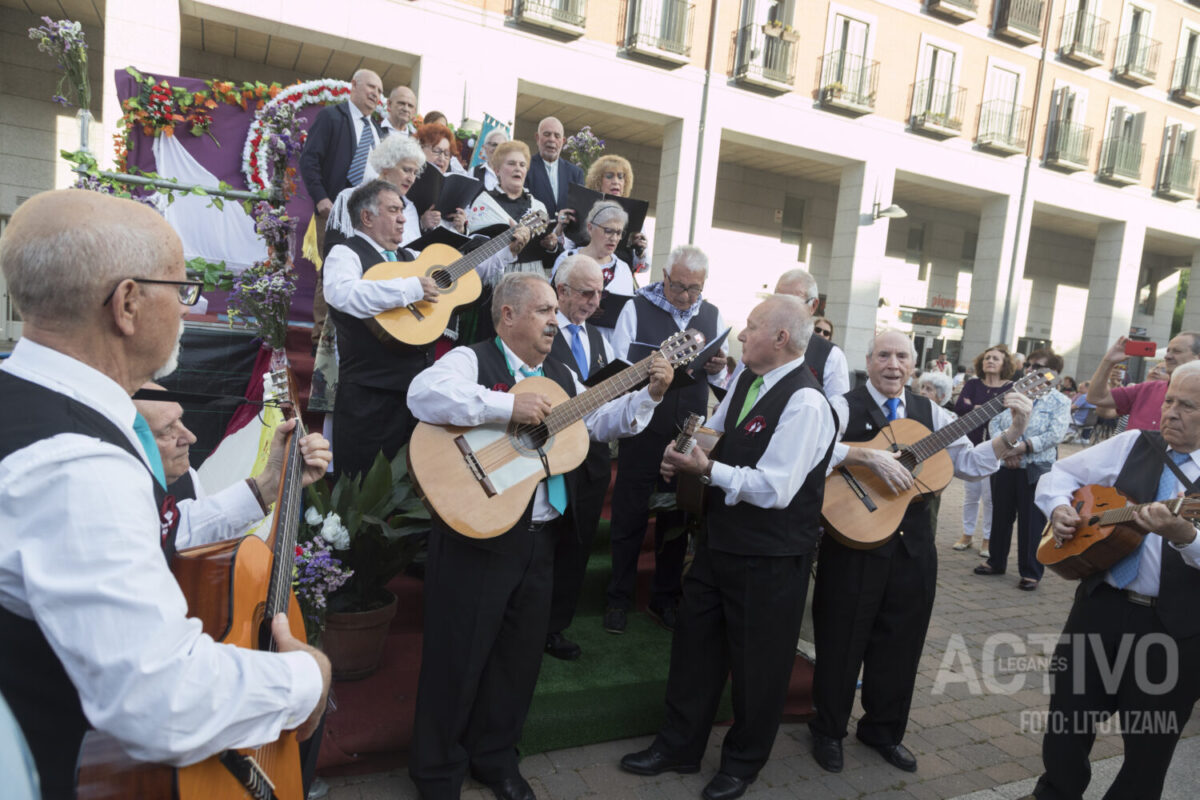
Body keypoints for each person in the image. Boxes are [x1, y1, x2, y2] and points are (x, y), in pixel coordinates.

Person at [0, 189, 332, 800]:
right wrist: (306, 679)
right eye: (182, 291)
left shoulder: (35, 409)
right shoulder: (75, 463)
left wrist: (262, 488)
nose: (188, 309)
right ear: (127, 303)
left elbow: (159, 529)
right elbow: (161, 698)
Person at [405, 273, 672, 800]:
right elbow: (423, 395)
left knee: (518, 661)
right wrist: (508, 408)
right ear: (508, 314)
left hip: (540, 539)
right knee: (456, 659)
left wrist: (651, 395)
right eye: (546, 310)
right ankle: (436, 774)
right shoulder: (470, 358)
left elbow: (599, 422)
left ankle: (496, 759)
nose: (558, 319)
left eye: (556, 310)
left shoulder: (562, 374)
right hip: (476, 536)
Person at [619, 295, 836, 800]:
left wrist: (707, 470)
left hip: (772, 558)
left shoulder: (806, 401)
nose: (740, 336)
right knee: (695, 649)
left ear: (781, 338)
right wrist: (686, 455)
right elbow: (722, 440)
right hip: (721, 543)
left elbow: (776, 487)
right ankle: (677, 746)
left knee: (759, 665)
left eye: (752, 327)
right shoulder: (747, 380)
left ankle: (742, 764)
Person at [809, 330, 1030, 776]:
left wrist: (1014, 430)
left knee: (902, 643)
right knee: (840, 640)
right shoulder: (839, 406)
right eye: (884, 355)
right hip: (851, 542)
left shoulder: (932, 412)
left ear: (914, 365)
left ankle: (883, 731)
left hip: (913, 549)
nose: (893, 364)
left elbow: (969, 465)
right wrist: (867, 458)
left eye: (902, 357)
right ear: (867, 361)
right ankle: (827, 730)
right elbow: (809, 450)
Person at [1030, 359, 1200, 800]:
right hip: (1100, 604)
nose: (1171, 413)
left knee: (1150, 743)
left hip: (1175, 628)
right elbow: (1061, 473)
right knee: (1067, 717)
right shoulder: (1132, 443)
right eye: (1170, 401)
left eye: (1189, 406)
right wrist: (1059, 507)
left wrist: (1185, 536)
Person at [322, 179, 528, 480]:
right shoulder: (346, 253)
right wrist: (409, 289)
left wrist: (505, 250)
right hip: (368, 398)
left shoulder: (412, 258)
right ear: (366, 217)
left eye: (402, 210)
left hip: (415, 395)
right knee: (361, 486)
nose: (403, 218)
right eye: (393, 210)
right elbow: (341, 294)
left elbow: (463, 275)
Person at [605, 245, 728, 634]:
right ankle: (618, 599)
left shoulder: (711, 314)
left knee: (676, 518)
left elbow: (720, 381)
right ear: (664, 274)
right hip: (643, 431)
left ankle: (664, 598)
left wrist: (719, 366)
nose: (687, 296)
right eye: (679, 286)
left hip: (687, 432)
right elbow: (618, 372)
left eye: (695, 288)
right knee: (628, 516)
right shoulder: (636, 308)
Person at [543, 254, 613, 661]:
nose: (593, 301)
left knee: (578, 546)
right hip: (551, 456)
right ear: (562, 290)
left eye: (599, 293)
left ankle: (555, 627)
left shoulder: (602, 338)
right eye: (586, 292)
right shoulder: (545, 331)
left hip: (593, 459)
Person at [299, 69, 384, 349]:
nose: (376, 94)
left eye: (380, 91)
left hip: (365, 218)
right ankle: (321, 340)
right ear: (354, 86)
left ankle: (347, 340)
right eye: (371, 87)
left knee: (359, 273)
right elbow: (309, 159)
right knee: (330, 274)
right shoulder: (332, 116)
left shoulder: (376, 130)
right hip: (334, 212)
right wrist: (322, 198)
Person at [973, 349, 1070, 591]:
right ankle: (996, 561)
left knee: (1031, 521)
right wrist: (1007, 449)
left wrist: (1023, 448)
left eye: (1039, 367)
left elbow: (1055, 434)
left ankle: (1030, 572)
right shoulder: (1012, 394)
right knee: (1001, 516)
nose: (1031, 371)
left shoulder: (1060, 401)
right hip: (1005, 464)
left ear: (1054, 375)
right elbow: (995, 423)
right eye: (1028, 365)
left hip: (1036, 468)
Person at [952, 344, 1016, 554]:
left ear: (1004, 364)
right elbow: (960, 407)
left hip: (994, 447)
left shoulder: (1010, 387)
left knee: (989, 498)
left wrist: (976, 408)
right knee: (971, 495)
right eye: (987, 357)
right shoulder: (972, 384)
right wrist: (981, 408)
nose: (990, 361)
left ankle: (987, 539)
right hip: (971, 444)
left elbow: (1007, 414)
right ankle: (967, 534)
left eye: (996, 358)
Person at [551, 200, 636, 342]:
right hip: (569, 338)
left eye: (619, 232)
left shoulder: (623, 269)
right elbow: (553, 299)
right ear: (590, 228)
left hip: (609, 343)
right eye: (608, 231)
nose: (614, 238)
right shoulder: (568, 258)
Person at [1087, 333, 1200, 433]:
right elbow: (1096, 398)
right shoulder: (1146, 389)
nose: (1167, 356)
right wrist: (1108, 361)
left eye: (1177, 351)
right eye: (1168, 351)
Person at [774, 269, 850, 400]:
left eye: (792, 302)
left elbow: (838, 413)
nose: (781, 309)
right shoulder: (756, 340)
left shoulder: (831, 356)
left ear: (813, 305)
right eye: (776, 301)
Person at [584, 154, 649, 273]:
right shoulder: (585, 208)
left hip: (620, 276)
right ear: (598, 181)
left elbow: (642, 268)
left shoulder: (635, 213)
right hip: (587, 273)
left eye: (621, 177)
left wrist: (640, 251)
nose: (616, 182)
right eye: (609, 176)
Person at [524, 117, 584, 222]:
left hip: (565, 236)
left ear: (563, 141)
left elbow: (578, 212)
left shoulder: (576, 173)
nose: (552, 139)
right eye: (547, 134)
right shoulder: (525, 168)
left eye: (557, 136)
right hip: (535, 234)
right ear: (537, 138)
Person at [414, 123, 469, 233]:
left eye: (447, 154)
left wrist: (460, 228)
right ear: (419, 150)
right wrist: (422, 224)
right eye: (437, 151)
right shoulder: (408, 183)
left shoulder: (452, 189)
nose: (442, 158)